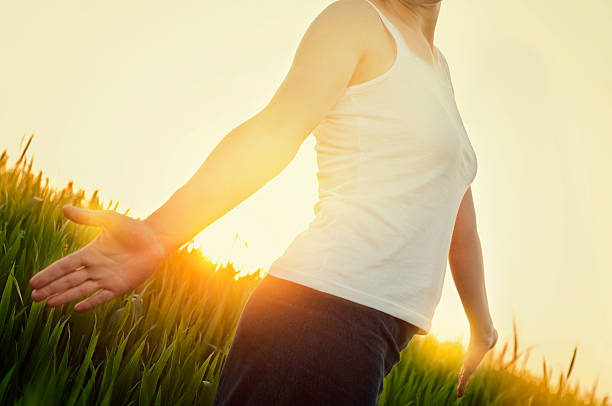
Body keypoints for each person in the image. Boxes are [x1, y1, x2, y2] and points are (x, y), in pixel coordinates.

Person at [28, 0, 498, 403]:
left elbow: (458, 211)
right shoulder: (356, 21)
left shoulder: (439, 68)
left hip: (368, 335)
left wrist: (482, 326)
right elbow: (274, 132)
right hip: (321, 321)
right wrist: (157, 233)